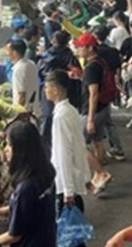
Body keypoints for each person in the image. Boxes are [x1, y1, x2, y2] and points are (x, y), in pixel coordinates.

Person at [0, 121, 57, 246]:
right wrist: (1, 211)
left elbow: (15, 234)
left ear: (21, 149)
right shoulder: (46, 171)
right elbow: (29, 206)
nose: (5, 149)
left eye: (9, 145)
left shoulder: (25, 187)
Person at [44, 70, 91, 221]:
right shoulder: (71, 110)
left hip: (64, 185)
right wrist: (85, 176)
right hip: (73, 180)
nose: (45, 91)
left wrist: (68, 191)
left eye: (47, 87)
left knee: (67, 237)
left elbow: (64, 154)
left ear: (56, 90)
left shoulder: (60, 117)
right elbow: (80, 146)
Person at [72, 33, 113, 193]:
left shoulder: (91, 67)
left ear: (90, 48)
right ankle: (98, 178)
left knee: (79, 144)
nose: (78, 49)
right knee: (98, 141)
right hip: (103, 108)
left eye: (81, 47)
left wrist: (89, 119)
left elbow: (93, 93)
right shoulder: (100, 62)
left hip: (92, 110)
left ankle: (100, 173)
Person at [6, 38, 38, 115]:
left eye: (8, 50)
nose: (6, 53)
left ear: (14, 52)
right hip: (33, 108)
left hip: (24, 112)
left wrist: (18, 115)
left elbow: (22, 96)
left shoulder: (19, 69)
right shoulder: (31, 64)